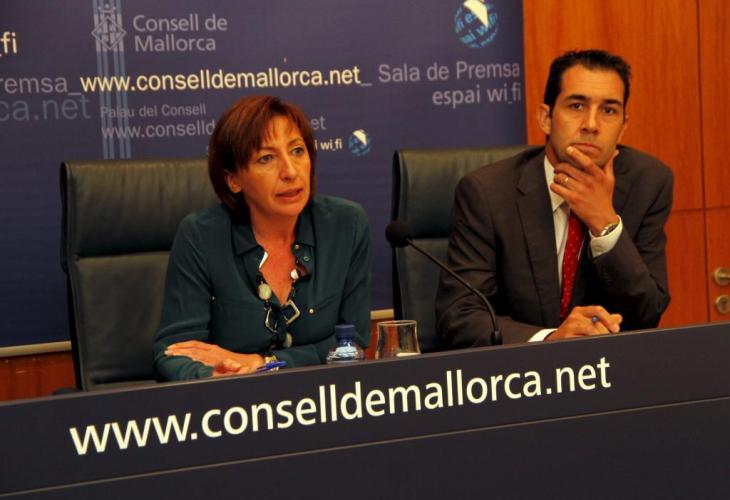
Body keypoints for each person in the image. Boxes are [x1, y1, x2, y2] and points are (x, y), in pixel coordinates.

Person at [435, 49, 673, 346]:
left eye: (609, 110)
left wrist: (605, 224)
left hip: (607, 365)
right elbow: (460, 315)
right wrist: (550, 339)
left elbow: (647, 314)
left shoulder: (647, 183)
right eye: (576, 106)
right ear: (546, 118)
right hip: (520, 369)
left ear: (623, 127)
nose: (591, 124)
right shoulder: (488, 193)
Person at [154, 96, 371, 380]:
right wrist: (215, 376)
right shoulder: (201, 237)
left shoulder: (346, 225)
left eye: (297, 151)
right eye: (266, 158)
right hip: (233, 400)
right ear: (233, 180)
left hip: (325, 396)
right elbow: (174, 354)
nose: (290, 172)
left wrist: (263, 363)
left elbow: (354, 342)